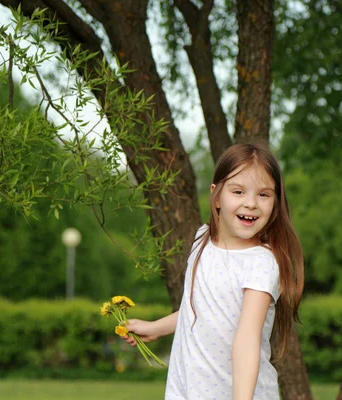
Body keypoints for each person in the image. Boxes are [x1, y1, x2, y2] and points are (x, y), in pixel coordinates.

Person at [124, 143, 304, 400]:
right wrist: (156, 328)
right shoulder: (202, 240)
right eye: (238, 191)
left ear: (275, 203)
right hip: (188, 391)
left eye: (264, 195)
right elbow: (199, 308)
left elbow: (247, 341)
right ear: (217, 196)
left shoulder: (261, 263)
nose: (251, 203)